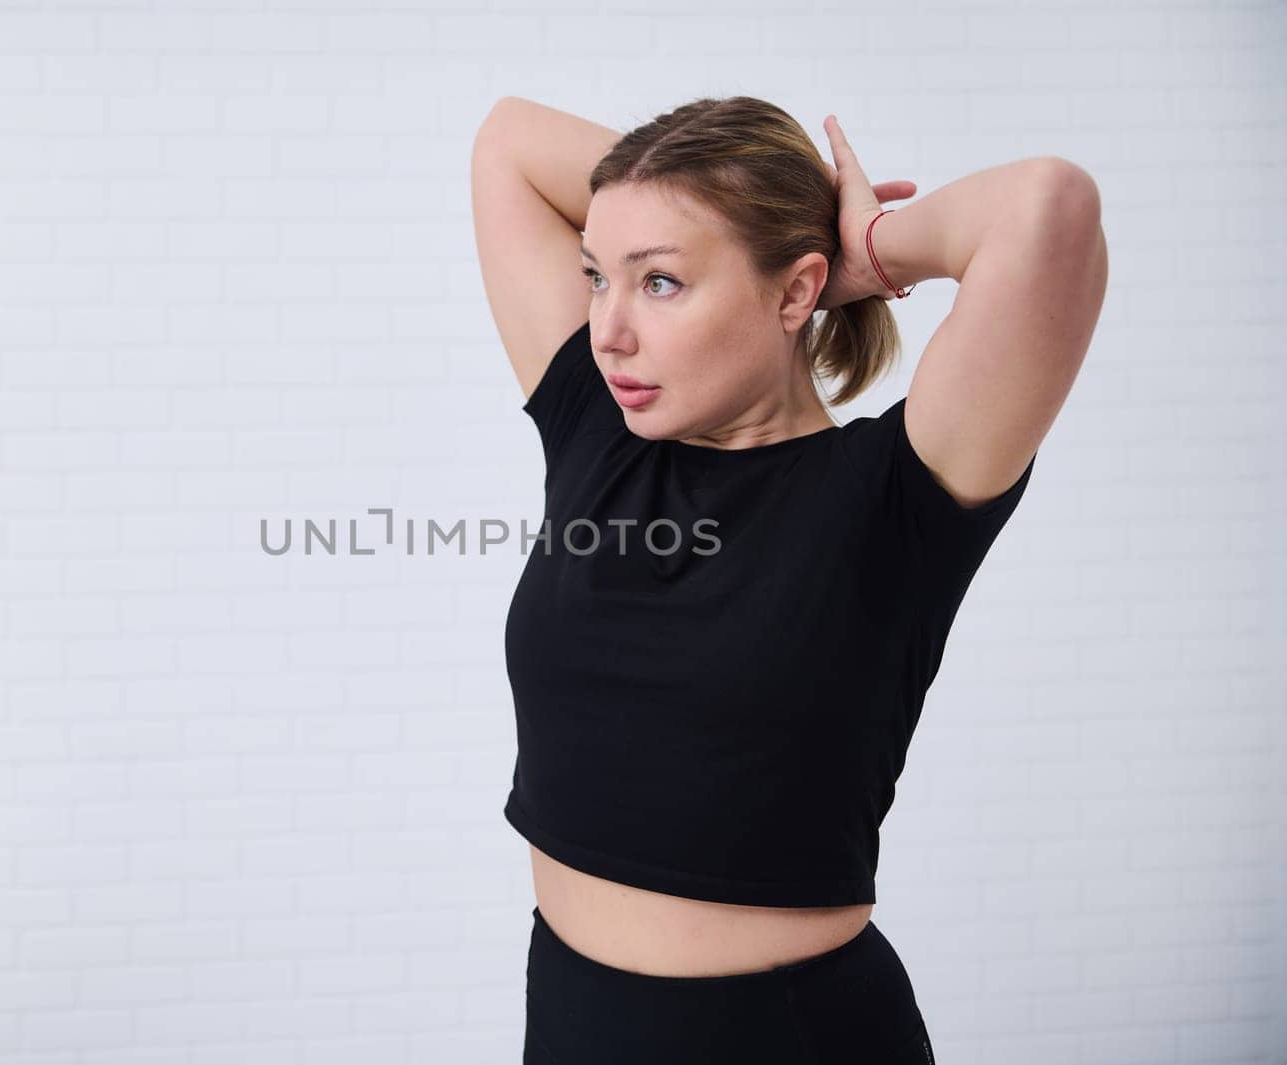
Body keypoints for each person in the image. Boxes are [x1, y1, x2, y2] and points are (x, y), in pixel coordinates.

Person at [471, 94, 1108, 1063]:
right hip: (566, 1013)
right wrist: (750, 228)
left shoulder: (895, 495)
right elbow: (508, 140)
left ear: (792, 292)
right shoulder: (597, 438)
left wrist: (867, 253)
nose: (609, 330)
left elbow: (1046, 207)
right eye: (600, 277)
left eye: (664, 284)